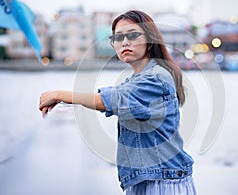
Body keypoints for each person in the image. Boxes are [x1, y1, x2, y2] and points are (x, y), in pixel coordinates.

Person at [39, 10, 197, 195]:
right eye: (118, 37)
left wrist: (59, 94)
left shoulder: (156, 78)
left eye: (132, 35)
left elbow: (109, 100)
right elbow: (116, 97)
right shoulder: (137, 78)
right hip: (149, 179)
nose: (125, 42)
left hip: (163, 182)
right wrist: (67, 105)